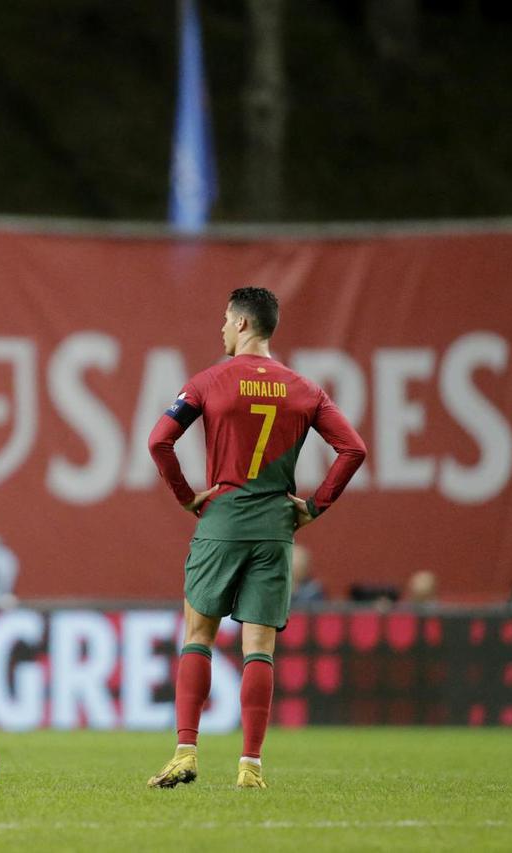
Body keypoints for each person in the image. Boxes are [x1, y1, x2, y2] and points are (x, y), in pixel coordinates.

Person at [146, 287, 366, 790]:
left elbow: (159, 440)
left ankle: (185, 752)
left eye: (226, 320)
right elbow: (353, 449)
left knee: (198, 636)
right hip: (275, 530)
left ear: (243, 324)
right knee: (259, 648)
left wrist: (185, 496)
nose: (221, 329)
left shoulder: (208, 382)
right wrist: (313, 507)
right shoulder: (305, 390)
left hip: (221, 522)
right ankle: (250, 766)